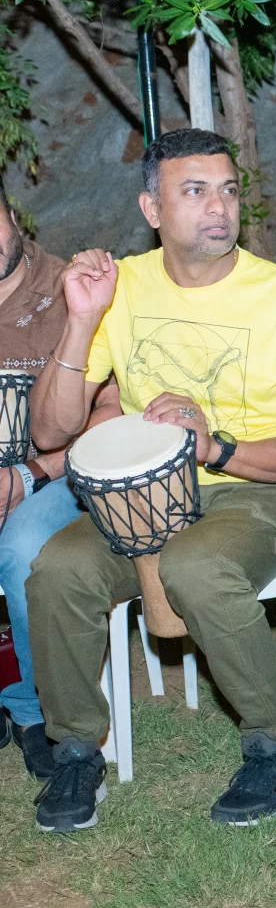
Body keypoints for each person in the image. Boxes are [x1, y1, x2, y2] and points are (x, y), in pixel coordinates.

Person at [27, 128, 276, 832]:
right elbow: (49, 432)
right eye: (193, 191)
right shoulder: (120, 287)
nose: (217, 207)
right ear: (151, 208)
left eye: (227, 189)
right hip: (142, 496)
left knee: (197, 566)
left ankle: (275, 745)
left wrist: (216, 444)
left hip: (263, 490)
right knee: (58, 568)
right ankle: (75, 749)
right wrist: (80, 320)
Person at [0, 180, 119, 780]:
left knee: (23, 545)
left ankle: (35, 708)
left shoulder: (72, 292)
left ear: (14, 216)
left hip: (63, 479)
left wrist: (29, 473)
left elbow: (116, 412)